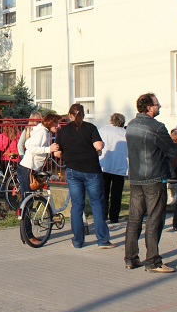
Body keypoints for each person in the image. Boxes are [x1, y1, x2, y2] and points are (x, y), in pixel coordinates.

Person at [124, 93, 177, 272]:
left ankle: (131, 258)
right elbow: (172, 151)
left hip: (136, 177)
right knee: (154, 219)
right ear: (149, 107)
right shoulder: (157, 127)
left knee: (134, 219)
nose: (159, 106)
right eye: (157, 104)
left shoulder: (131, 126)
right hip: (154, 177)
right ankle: (153, 261)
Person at [55, 104, 114, 249]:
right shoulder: (90, 128)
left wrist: (68, 155)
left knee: (77, 206)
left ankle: (78, 241)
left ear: (70, 115)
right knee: (97, 204)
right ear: (83, 115)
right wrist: (100, 145)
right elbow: (99, 146)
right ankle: (102, 240)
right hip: (91, 170)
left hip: (72, 170)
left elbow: (57, 153)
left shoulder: (63, 131)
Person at [17, 112, 59, 198]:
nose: (58, 126)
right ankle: (24, 207)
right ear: (50, 123)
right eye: (56, 123)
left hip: (30, 168)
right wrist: (49, 149)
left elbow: (27, 143)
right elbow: (32, 148)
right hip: (28, 168)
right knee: (28, 197)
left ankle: (26, 206)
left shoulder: (44, 131)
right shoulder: (42, 132)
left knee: (29, 197)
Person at [98, 113, 128, 225]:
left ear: (111, 120)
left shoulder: (103, 130)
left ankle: (103, 214)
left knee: (103, 192)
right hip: (120, 166)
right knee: (117, 193)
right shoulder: (125, 133)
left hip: (104, 165)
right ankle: (114, 216)